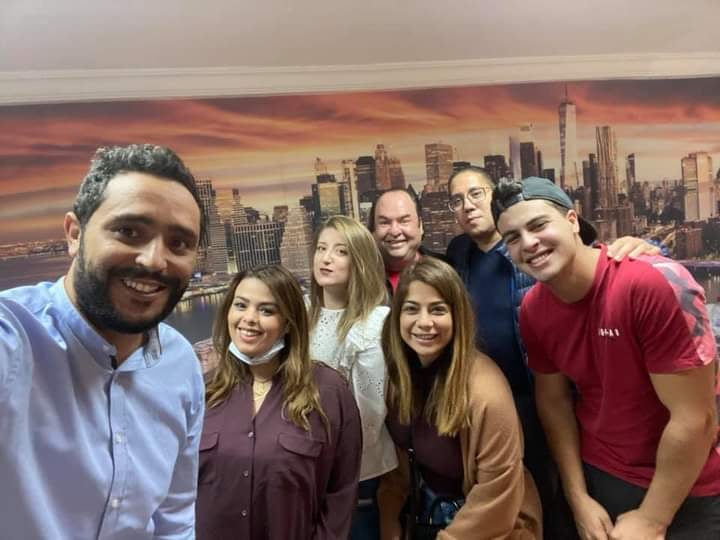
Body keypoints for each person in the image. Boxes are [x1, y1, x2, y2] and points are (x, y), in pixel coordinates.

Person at [492, 176, 720, 540]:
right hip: (600, 475)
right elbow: (554, 402)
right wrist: (577, 497)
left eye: (538, 225)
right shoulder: (533, 309)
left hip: (686, 486)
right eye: (513, 237)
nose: (529, 243)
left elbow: (695, 418)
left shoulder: (651, 284)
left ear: (572, 220)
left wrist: (652, 519)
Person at [0, 144, 206, 539]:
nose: (154, 260)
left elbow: (174, 518)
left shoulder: (180, 363)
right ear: (75, 234)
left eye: (179, 243)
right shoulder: (14, 338)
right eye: (129, 232)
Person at [445, 167, 660, 538]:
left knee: (560, 492)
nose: (467, 205)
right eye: (456, 200)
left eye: (476, 194)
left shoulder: (532, 254)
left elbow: (584, 259)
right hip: (490, 406)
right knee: (513, 502)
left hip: (548, 398)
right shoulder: (457, 254)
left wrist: (644, 247)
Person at [378, 257, 542, 539]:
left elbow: (497, 492)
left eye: (438, 309)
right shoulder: (398, 377)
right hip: (430, 512)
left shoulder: (486, 391)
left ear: (458, 317)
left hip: (494, 523)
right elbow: (398, 469)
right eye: (412, 309)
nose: (424, 322)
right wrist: (389, 522)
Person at [197, 264, 363, 540]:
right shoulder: (203, 391)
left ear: (288, 322)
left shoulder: (328, 392)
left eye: (266, 310)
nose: (249, 319)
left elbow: (341, 493)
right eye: (241, 305)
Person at [307, 215, 398, 539]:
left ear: (359, 261)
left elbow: (369, 417)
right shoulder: (302, 311)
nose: (326, 258)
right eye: (321, 248)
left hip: (356, 473)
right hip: (307, 467)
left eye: (340, 251)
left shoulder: (374, 322)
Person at [368, 188, 447, 294]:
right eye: (384, 223)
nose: (394, 231)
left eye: (404, 221)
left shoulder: (448, 269)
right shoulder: (358, 276)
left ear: (420, 226)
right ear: (373, 231)